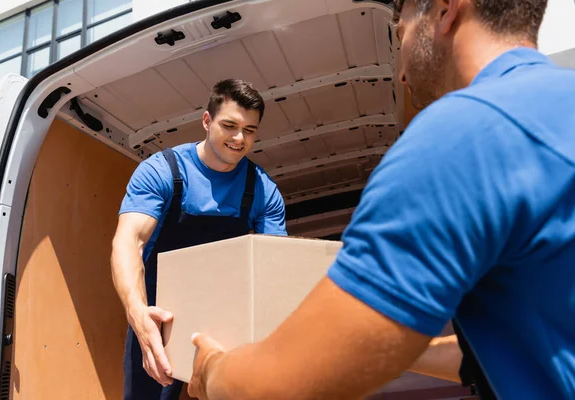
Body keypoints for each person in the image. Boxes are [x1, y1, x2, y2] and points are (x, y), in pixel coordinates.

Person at [186, 0, 575, 399]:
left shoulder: (457, 138)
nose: (402, 70)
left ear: (445, 10)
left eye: (400, 34)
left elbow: (285, 386)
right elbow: (526, 343)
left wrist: (211, 370)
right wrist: (391, 345)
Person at [110, 78, 287, 400]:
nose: (239, 138)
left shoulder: (263, 190)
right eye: (229, 125)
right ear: (207, 121)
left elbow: (276, 264)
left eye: (250, 130)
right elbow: (129, 242)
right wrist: (139, 314)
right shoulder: (162, 170)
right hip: (160, 317)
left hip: (225, 316)